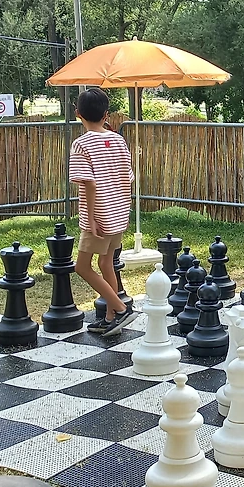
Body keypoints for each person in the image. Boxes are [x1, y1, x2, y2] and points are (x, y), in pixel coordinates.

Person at [69, 87, 135, 334]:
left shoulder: (81, 144)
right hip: (119, 213)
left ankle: (120, 308)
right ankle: (110, 317)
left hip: (99, 215)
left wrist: (91, 218)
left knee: (82, 267)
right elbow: (128, 178)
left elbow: (89, 183)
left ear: (77, 113)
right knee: (107, 262)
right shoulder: (118, 140)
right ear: (107, 114)